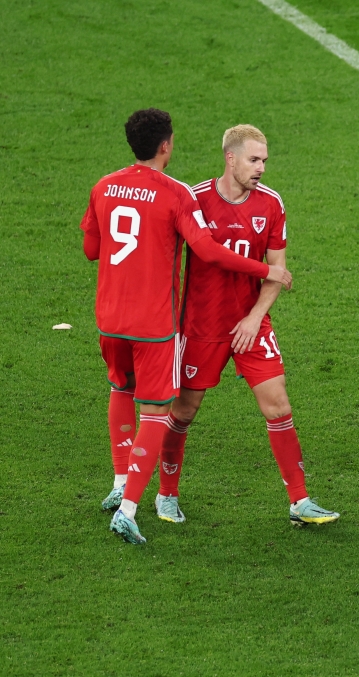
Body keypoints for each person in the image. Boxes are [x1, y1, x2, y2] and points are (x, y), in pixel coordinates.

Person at [81, 108, 293, 544]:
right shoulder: (177, 193)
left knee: (120, 388)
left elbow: (91, 249)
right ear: (166, 145)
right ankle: (129, 507)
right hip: (156, 322)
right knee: (157, 411)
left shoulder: (102, 185)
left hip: (109, 317)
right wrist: (265, 270)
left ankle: (120, 480)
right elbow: (208, 251)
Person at [152, 124, 339, 527]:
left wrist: (255, 318)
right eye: (254, 160)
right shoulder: (195, 199)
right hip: (199, 327)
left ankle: (300, 501)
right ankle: (166, 494)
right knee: (184, 411)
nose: (261, 169)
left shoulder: (271, 203)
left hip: (252, 323)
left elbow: (278, 271)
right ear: (230, 157)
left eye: (265, 161)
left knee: (279, 405)